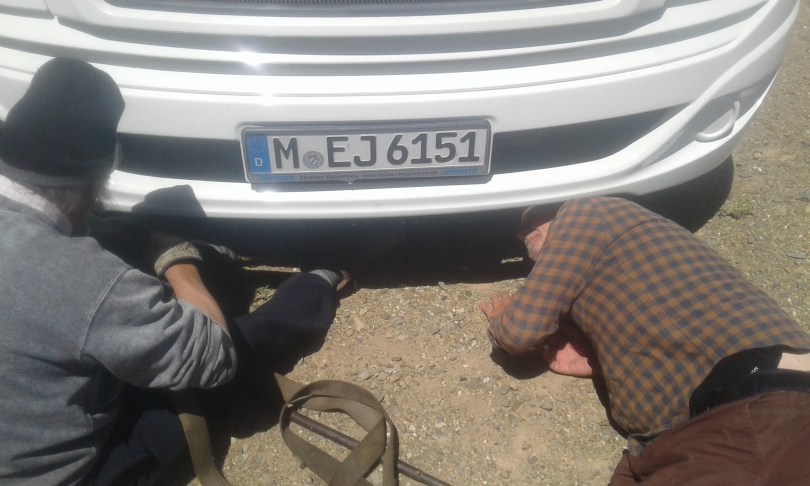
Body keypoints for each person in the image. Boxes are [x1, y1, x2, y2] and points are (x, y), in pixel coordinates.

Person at [0, 58, 346, 485]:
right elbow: (214, 357)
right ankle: (321, 280)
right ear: (95, 183)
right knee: (227, 348)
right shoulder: (85, 280)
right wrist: (179, 264)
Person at [480, 196, 810, 485]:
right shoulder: (615, 262)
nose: (520, 233)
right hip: (679, 439)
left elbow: (519, 333)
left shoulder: (585, 211)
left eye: (530, 219)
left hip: (759, 406)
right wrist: (606, 361)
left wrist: (502, 321)